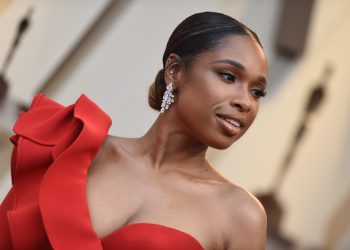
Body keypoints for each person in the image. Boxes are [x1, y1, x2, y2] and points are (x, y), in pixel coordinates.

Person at [0, 11, 268, 250]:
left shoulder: (240, 216)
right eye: (228, 76)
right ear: (175, 71)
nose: (245, 102)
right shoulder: (73, 147)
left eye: (257, 92)